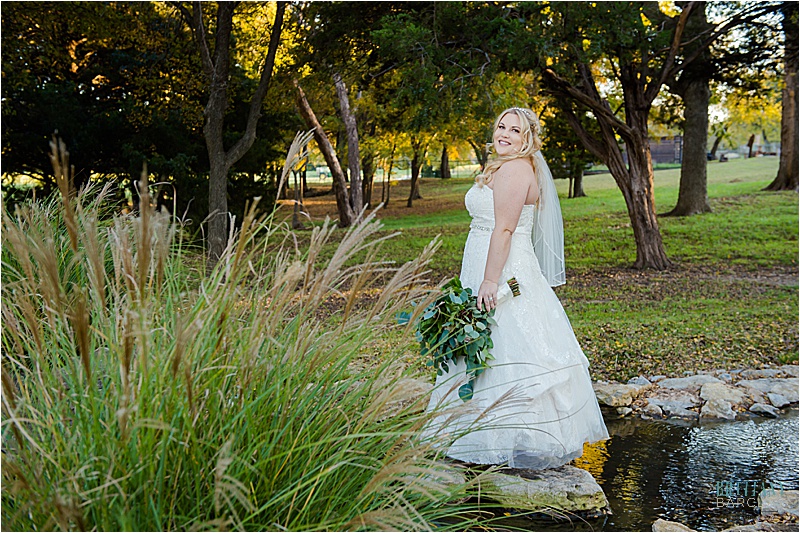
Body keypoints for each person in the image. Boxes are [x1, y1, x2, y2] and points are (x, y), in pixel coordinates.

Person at [424, 107, 609, 470]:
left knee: (506, 338)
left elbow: (504, 229)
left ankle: (507, 439)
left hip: (503, 267)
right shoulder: (506, 166)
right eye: (500, 127)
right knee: (495, 339)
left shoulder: (514, 169)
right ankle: (478, 432)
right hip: (486, 260)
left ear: (527, 139)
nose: (504, 134)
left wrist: (491, 280)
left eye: (514, 130)